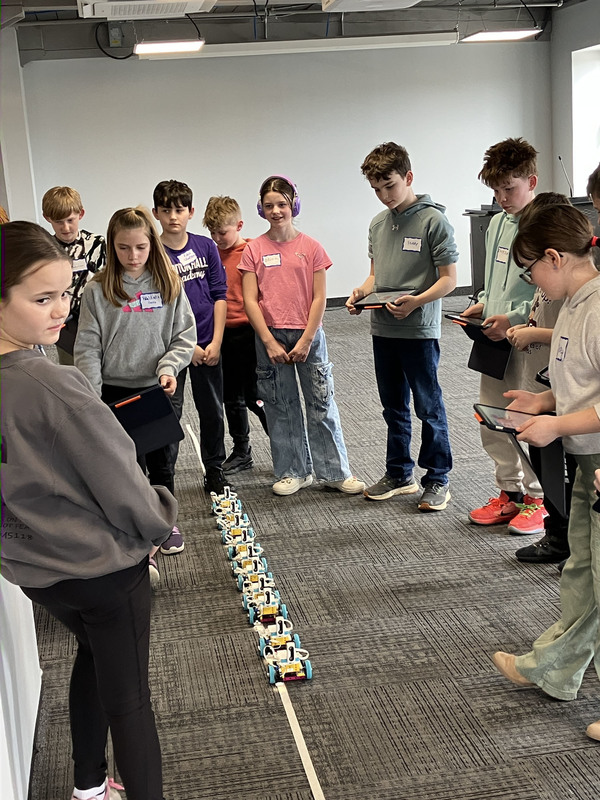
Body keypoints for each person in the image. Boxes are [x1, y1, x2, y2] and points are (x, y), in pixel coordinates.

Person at [0, 220, 177, 800]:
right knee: (130, 701)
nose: (61, 310)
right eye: (42, 297)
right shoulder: (55, 385)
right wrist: (161, 520)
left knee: (93, 658)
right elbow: (124, 484)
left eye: (65, 293)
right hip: (103, 572)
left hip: (34, 571)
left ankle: (89, 786)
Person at [490, 204, 600, 741]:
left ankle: (551, 664)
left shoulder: (599, 309)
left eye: (530, 267)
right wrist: (545, 402)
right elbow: (587, 383)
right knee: (583, 567)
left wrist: (558, 425)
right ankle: (558, 670)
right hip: (585, 456)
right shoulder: (573, 306)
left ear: (555, 258)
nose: (530, 279)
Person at [74, 207, 195, 564]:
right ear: (112, 246)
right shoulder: (98, 289)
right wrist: (93, 395)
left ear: (151, 245)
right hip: (114, 390)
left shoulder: (168, 282)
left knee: (163, 462)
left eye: (140, 247)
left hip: (159, 388)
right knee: (127, 465)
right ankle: (137, 531)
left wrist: (170, 366)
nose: (133, 256)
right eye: (123, 248)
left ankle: (164, 523)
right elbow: (87, 347)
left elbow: (184, 336)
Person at [346, 142, 457, 511]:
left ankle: (437, 477)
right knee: (393, 406)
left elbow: (449, 280)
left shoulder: (433, 221)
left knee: (428, 406)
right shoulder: (378, 223)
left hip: (419, 331)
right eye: (376, 189)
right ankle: (399, 473)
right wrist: (361, 292)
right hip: (383, 328)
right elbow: (376, 277)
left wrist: (417, 302)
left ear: (408, 177)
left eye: (390, 186)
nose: (383, 196)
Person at [240, 174, 364, 497]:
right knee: (280, 404)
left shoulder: (311, 249)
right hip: (269, 337)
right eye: (268, 206)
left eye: (282, 204)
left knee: (321, 402)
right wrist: (267, 340)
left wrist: (308, 338)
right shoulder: (253, 250)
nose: (276, 211)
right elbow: (250, 300)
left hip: (309, 334)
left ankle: (335, 471)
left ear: (294, 204)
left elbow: (320, 298)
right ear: (260, 209)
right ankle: (293, 470)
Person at [462, 138, 547, 533]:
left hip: (529, 339)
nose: (500, 198)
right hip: (492, 337)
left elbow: (544, 289)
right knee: (492, 416)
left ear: (531, 181)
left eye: (508, 189)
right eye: (494, 190)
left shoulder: (544, 224)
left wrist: (511, 316)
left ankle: (538, 497)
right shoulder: (496, 223)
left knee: (528, 417)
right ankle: (509, 493)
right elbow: (496, 278)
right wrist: (481, 302)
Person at [504, 193, 574, 562]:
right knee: (551, 473)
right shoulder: (556, 285)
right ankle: (561, 540)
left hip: (569, 404)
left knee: (569, 482)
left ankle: (570, 546)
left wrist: (534, 335)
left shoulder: (582, 298)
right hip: (547, 384)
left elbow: (568, 336)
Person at [152, 180, 229, 496]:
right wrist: (189, 348)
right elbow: (155, 309)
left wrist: (216, 341)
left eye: (180, 209)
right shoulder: (153, 253)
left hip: (210, 343)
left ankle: (215, 471)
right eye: (166, 210)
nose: (173, 216)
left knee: (212, 410)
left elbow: (219, 294)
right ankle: (163, 479)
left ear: (191, 212)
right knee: (171, 413)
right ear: (156, 213)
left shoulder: (206, 247)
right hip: (172, 349)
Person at [203, 195, 268, 475]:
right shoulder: (210, 254)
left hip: (248, 332)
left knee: (255, 395)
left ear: (239, 225)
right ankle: (242, 451)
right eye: (213, 232)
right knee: (230, 398)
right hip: (222, 334)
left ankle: (283, 443)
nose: (218, 238)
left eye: (223, 232)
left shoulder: (252, 251)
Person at [42, 186, 106, 365]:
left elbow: (106, 279)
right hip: (65, 322)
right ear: (48, 218)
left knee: (99, 366)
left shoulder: (97, 244)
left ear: (81, 214)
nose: (66, 227)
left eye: (70, 220)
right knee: (71, 369)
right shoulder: (45, 249)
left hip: (95, 318)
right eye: (58, 221)